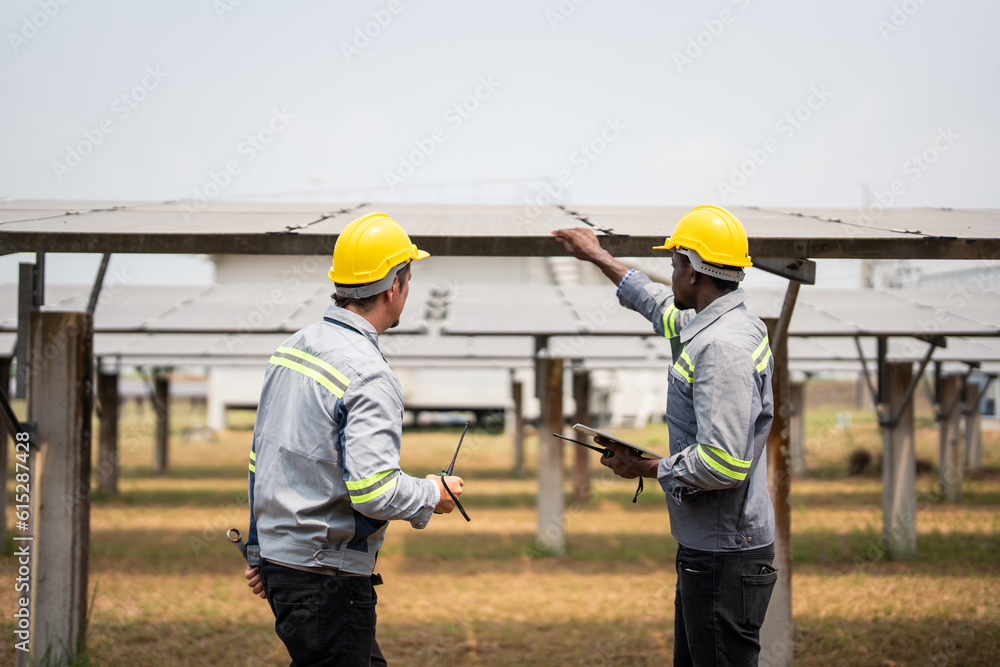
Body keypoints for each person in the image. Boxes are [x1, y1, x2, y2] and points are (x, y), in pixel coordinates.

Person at [552, 205, 777, 667]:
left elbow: (724, 463)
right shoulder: (720, 322)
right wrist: (598, 257)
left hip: (723, 553)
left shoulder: (720, 348)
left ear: (693, 272)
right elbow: (656, 304)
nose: (670, 275)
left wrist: (645, 466)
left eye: (674, 265)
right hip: (715, 546)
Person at [242, 212, 465, 666]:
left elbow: (262, 459)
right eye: (409, 277)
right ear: (393, 287)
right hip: (327, 576)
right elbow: (373, 490)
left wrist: (263, 549)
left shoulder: (293, 348)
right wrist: (432, 494)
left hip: (289, 569)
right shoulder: (368, 374)